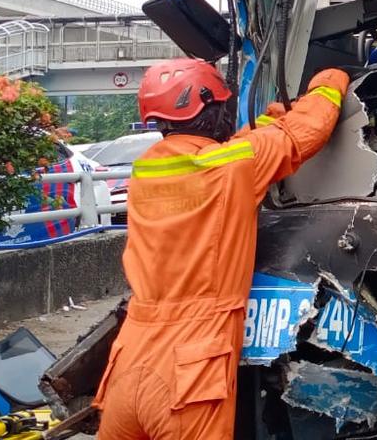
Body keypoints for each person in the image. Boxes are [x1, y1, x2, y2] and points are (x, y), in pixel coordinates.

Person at [94, 58, 349, 440]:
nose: (228, 113)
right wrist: (333, 76)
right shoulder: (233, 167)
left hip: (129, 361)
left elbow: (229, 150)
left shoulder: (147, 170)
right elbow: (307, 131)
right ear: (207, 108)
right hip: (189, 374)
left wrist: (268, 122)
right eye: (223, 105)